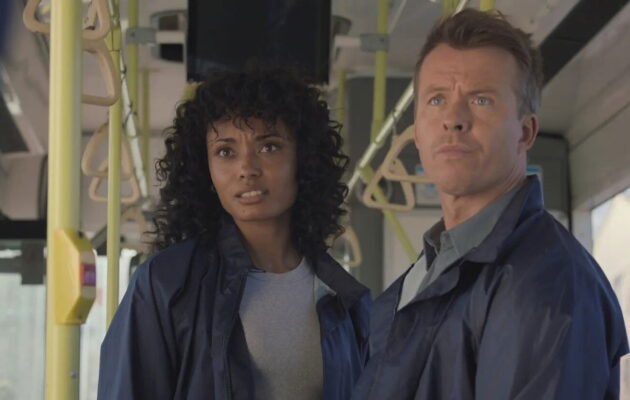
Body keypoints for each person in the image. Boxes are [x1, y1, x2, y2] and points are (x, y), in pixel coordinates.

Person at [352, 9, 628, 400]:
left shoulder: (545, 284)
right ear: (417, 130)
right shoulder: (431, 268)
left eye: (481, 100)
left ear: (525, 132)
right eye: (436, 99)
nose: (453, 119)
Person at [97, 67, 371, 399]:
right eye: (225, 152)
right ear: (206, 170)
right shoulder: (165, 285)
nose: (247, 169)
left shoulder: (343, 296)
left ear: (303, 159)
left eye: (269, 147)